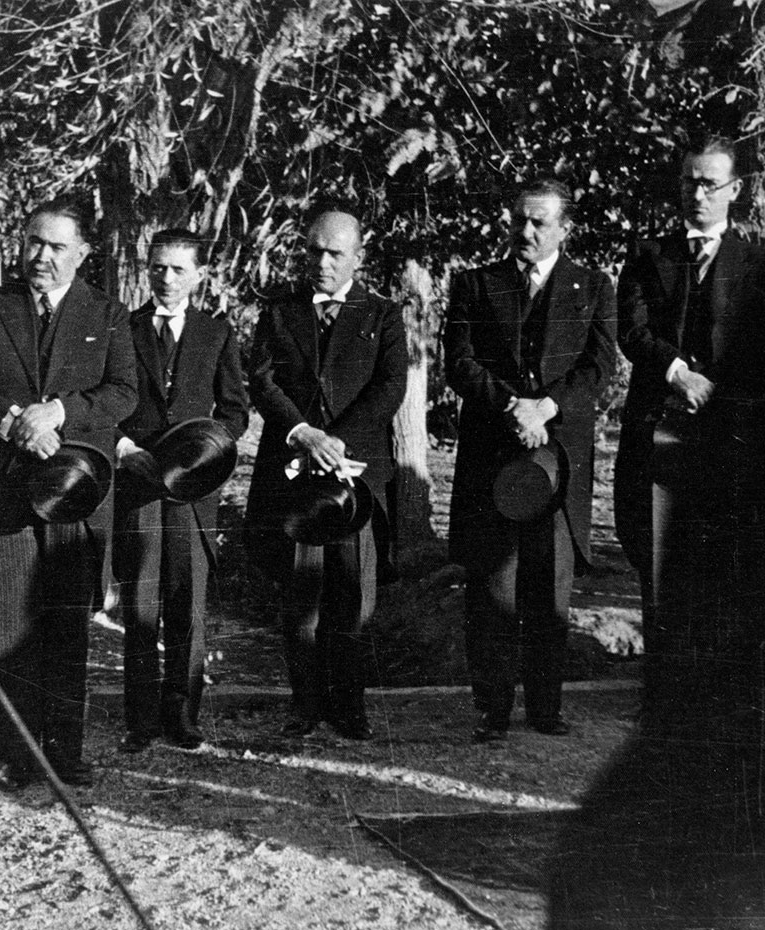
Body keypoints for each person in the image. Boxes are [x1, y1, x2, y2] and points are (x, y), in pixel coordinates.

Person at [0, 199, 136, 789]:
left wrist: (60, 413)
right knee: (8, 622)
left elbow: (124, 392)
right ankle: (14, 752)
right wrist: (11, 419)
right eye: (33, 243)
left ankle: (65, 748)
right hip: (4, 492)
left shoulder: (108, 314)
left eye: (56, 247)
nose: (41, 257)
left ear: (81, 253)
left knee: (67, 621)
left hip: (76, 492)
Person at [444, 177, 616, 743]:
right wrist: (512, 407)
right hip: (495, 454)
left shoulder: (593, 287)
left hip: (559, 459)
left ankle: (546, 707)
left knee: (549, 584)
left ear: (564, 228)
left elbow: (597, 368)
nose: (525, 230)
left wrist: (546, 406)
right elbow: (460, 364)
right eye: (519, 218)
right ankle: (492, 709)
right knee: (494, 584)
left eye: (540, 221)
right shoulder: (473, 284)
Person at [613, 134, 765, 718]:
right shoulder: (650, 255)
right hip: (658, 432)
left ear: (735, 190)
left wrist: (721, 394)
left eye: (709, 183)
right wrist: (678, 374)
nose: (697, 194)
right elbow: (633, 331)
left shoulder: (755, 263)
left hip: (729, 437)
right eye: (688, 182)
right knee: (656, 555)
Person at [245, 208, 407, 740]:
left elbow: (390, 387)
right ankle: (305, 705)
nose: (323, 263)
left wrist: (338, 441)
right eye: (314, 250)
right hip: (295, 471)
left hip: (355, 473)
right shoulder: (280, 310)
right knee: (300, 595)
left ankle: (349, 706)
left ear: (358, 257)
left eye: (336, 253)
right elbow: (262, 381)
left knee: (352, 595)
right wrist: (304, 434)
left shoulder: (383, 315)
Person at [113, 229, 249, 754]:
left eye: (177, 270)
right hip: (140, 484)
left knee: (188, 603)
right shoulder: (123, 330)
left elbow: (235, 411)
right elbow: (111, 402)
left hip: (194, 494)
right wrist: (126, 447)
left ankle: (184, 716)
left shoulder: (216, 334)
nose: (166, 279)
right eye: (157, 268)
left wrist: (207, 452)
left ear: (198, 275)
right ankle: (141, 720)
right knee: (141, 601)